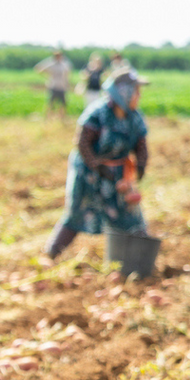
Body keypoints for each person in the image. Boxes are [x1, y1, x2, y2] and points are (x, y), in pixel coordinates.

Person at [44, 68, 150, 260]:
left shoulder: (135, 116)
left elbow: (141, 143)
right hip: (89, 173)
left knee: (130, 215)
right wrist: (96, 165)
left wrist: (141, 163)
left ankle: (139, 257)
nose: (139, 96)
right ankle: (52, 252)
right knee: (77, 212)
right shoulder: (98, 113)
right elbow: (82, 143)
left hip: (118, 174)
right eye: (136, 91)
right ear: (124, 92)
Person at [35, 50, 72, 121]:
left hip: (62, 87)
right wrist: (48, 76)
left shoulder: (64, 64)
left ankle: (62, 118)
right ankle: (48, 118)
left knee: (63, 104)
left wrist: (67, 83)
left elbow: (67, 74)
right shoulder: (51, 64)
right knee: (51, 104)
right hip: (53, 86)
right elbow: (38, 68)